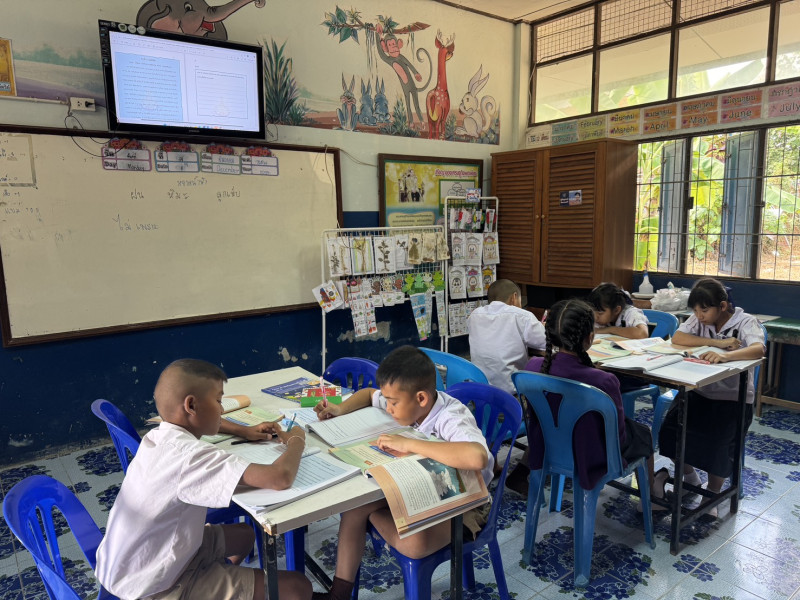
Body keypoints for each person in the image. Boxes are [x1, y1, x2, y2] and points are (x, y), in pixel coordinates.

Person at [95, 359, 312, 600]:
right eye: (218, 401)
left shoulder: (158, 436)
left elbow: (202, 421)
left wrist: (244, 430)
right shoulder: (191, 457)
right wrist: (297, 440)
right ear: (191, 405)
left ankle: (220, 583)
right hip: (156, 587)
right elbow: (279, 477)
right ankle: (207, 588)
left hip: (132, 562)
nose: (222, 409)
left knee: (245, 535)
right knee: (299, 587)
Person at [310, 345, 492, 600]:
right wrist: (340, 409)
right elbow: (368, 394)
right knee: (353, 508)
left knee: (413, 544)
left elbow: (477, 457)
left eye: (393, 403)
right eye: (388, 401)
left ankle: (375, 517)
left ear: (421, 399)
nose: (389, 408)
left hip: (464, 503)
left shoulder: (451, 417)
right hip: (418, 487)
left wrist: (409, 444)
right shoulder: (407, 401)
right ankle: (338, 595)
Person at [522, 299, 659, 505]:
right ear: (590, 337)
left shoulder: (532, 367)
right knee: (643, 433)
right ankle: (650, 500)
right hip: (590, 455)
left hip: (546, 447)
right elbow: (618, 435)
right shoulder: (604, 380)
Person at [658, 278, 765, 516]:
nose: (699, 316)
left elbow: (759, 349)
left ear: (723, 306)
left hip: (732, 398)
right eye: (696, 310)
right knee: (670, 433)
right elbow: (678, 338)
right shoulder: (700, 320)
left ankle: (713, 493)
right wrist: (716, 342)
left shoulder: (745, 322)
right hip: (699, 391)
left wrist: (727, 355)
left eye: (704, 310)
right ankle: (691, 479)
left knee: (718, 446)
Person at [467, 279, 545, 395]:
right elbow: (545, 341)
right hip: (509, 391)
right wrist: (542, 326)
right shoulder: (522, 316)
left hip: (479, 388)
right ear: (514, 297)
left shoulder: (474, 315)